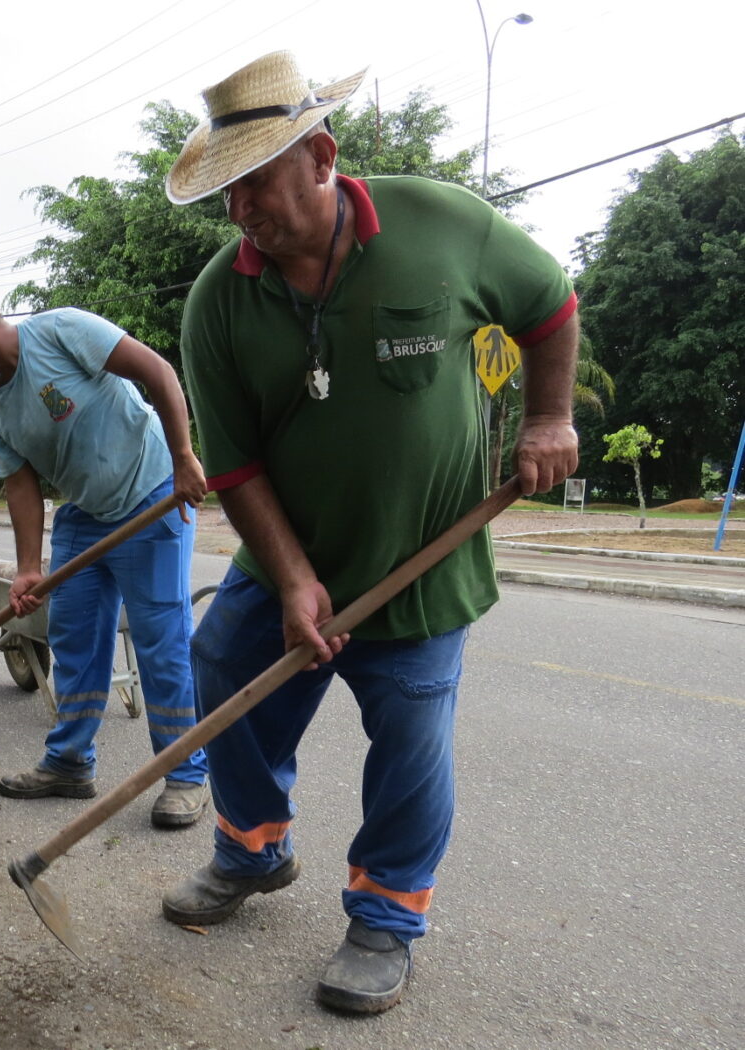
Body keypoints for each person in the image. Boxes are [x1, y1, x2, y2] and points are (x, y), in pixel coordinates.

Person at [163, 51, 580, 1013]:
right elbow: (233, 468)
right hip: (288, 561)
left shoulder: (445, 226)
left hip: (420, 569)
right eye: (224, 194)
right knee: (222, 669)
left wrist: (549, 419)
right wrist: (295, 579)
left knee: (410, 744)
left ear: (319, 155)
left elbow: (549, 304)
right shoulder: (221, 300)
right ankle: (252, 848)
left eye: (254, 184)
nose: (239, 215)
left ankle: (386, 918)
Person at [0, 280, 211, 828]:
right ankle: (70, 763)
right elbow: (21, 485)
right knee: (74, 639)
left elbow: (158, 373)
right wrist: (29, 568)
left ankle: (186, 775)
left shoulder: (62, 330)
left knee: (161, 643)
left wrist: (183, 457)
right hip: (85, 513)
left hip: (151, 493)